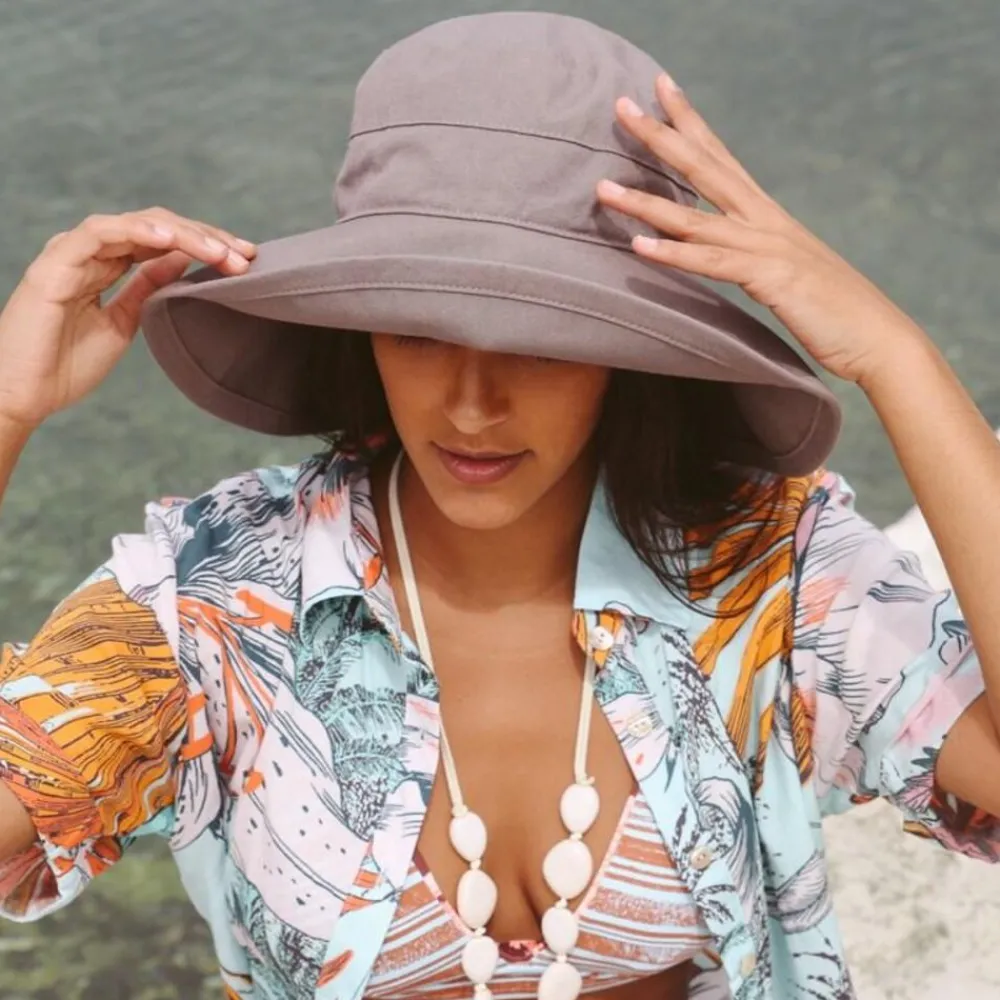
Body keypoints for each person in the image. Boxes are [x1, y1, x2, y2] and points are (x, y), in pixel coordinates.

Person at [0, 11, 997, 1000]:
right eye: (421, 331)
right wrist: (4, 409)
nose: (473, 406)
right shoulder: (219, 598)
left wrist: (895, 357)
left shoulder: (771, 573)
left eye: (542, 340)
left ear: (628, 349)